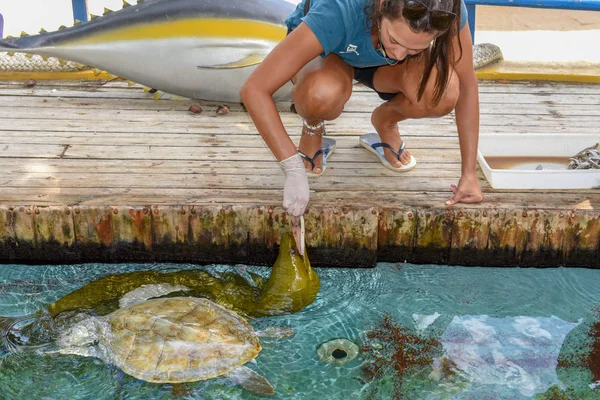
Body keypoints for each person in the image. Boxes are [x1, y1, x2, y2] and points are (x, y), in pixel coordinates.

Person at [240, 0, 483, 218]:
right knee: (321, 94)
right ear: (381, 5)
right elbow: (254, 89)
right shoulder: (338, 8)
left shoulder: (445, 6)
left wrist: (469, 174)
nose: (398, 55)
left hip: (379, 67)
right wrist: (291, 168)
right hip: (330, 51)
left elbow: (468, 85)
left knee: (443, 92)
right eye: (395, 40)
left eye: (415, 50)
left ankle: (386, 121)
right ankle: (313, 125)